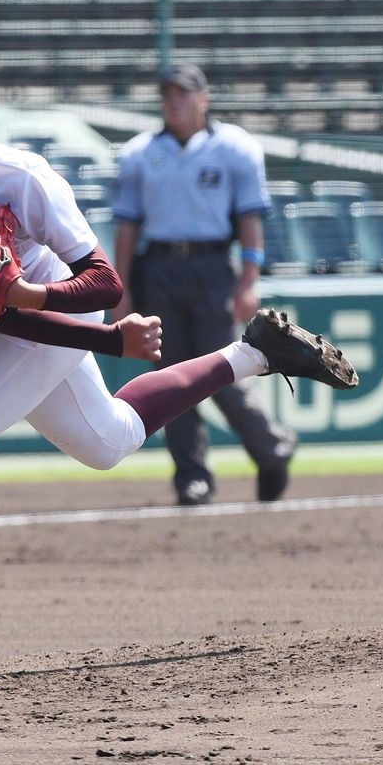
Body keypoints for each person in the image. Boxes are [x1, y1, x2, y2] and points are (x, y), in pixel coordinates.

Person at [0, 67, 356, 689]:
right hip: (20, 325)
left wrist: (44, 299)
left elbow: (103, 281)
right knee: (108, 442)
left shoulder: (15, 174)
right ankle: (254, 354)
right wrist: (105, 341)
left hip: (62, 298)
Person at [112, 63, 297, 507]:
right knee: (171, 378)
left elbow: (250, 219)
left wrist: (249, 279)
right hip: (157, 267)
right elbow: (127, 227)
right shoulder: (139, 154)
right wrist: (122, 289)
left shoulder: (235, 148)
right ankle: (191, 477)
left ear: (203, 98)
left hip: (213, 265)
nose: (174, 101)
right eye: (168, 94)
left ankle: (271, 447)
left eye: (183, 93)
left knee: (226, 370)